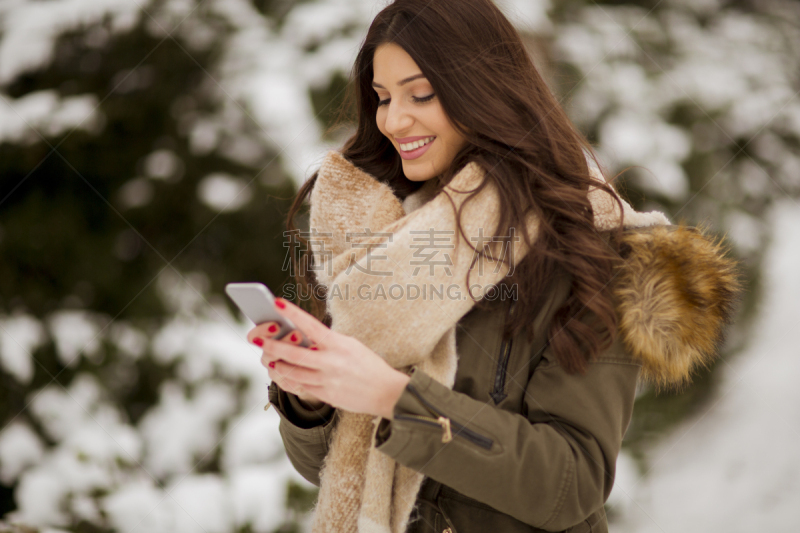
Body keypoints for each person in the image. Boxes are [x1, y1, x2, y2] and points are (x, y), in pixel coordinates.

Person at [245, 1, 741, 532]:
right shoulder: (374, 229)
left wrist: (395, 399)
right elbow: (330, 468)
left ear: (483, 90)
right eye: (383, 97)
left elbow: (571, 482)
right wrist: (310, 396)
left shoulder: (593, 253)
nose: (392, 120)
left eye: (421, 94)